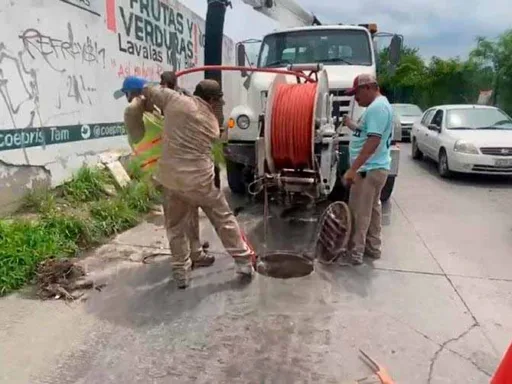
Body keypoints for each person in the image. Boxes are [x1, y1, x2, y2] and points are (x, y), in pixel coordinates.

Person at [137, 78, 255, 288]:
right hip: (200, 183)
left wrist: (153, 90)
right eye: (217, 101)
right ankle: (244, 261)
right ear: (211, 99)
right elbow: (219, 137)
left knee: (175, 227)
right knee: (224, 219)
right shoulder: (211, 122)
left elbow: (146, 89)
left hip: (171, 179)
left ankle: (181, 273)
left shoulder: (174, 100)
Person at [115, 76, 215, 277]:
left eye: (126, 94)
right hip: (162, 175)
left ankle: (195, 254)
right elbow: (132, 108)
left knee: (190, 214)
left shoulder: (155, 115)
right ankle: (181, 268)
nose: (126, 99)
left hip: (177, 171)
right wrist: (144, 95)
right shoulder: (134, 115)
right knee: (176, 222)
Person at [342, 74, 393, 265]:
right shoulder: (379, 106)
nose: (356, 98)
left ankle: (355, 253)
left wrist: (353, 169)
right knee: (373, 210)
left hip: (368, 170)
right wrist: (351, 124)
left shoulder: (377, 108)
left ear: (368, 88)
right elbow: (365, 132)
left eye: (357, 93)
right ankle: (373, 248)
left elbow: (373, 140)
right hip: (376, 168)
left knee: (359, 212)